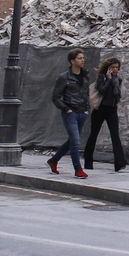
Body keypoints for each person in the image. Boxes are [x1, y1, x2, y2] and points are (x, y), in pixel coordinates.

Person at [48, 49, 91, 178]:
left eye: (83, 58)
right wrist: (66, 109)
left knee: (72, 141)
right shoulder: (64, 77)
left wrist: (86, 109)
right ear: (72, 61)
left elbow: (86, 94)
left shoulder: (85, 76)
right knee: (76, 141)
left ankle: (53, 161)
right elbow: (55, 97)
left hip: (81, 112)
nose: (82, 60)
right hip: (70, 113)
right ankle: (78, 170)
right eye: (79, 58)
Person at [83, 57, 127, 173]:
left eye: (117, 67)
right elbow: (101, 90)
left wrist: (114, 84)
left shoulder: (118, 80)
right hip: (100, 109)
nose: (115, 69)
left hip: (112, 109)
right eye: (113, 67)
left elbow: (117, 96)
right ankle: (88, 161)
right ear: (108, 68)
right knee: (94, 134)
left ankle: (119, 163)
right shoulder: (101, 77)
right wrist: (108, 80)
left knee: (115, 135)